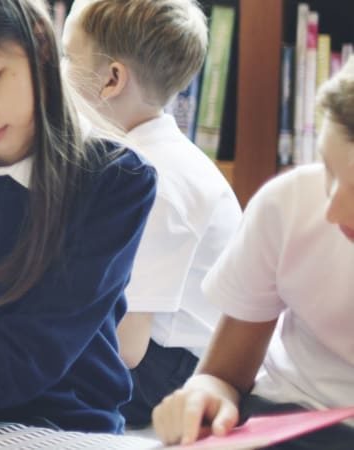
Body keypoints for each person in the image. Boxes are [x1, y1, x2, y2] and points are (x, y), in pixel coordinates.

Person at [152, 64, 354, 450]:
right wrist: (203, 395)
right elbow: (223, 376)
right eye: (328, 169)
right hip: (287, 416)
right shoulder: (289, 204)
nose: (333, 210)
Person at [61, 0, 242, 426]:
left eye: (67, 56)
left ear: (111, 79)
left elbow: (126, 347)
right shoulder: (124, 156)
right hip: (147, 350)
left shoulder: (157, 180)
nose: (57, 71)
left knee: (40, 385)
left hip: (177, 368)